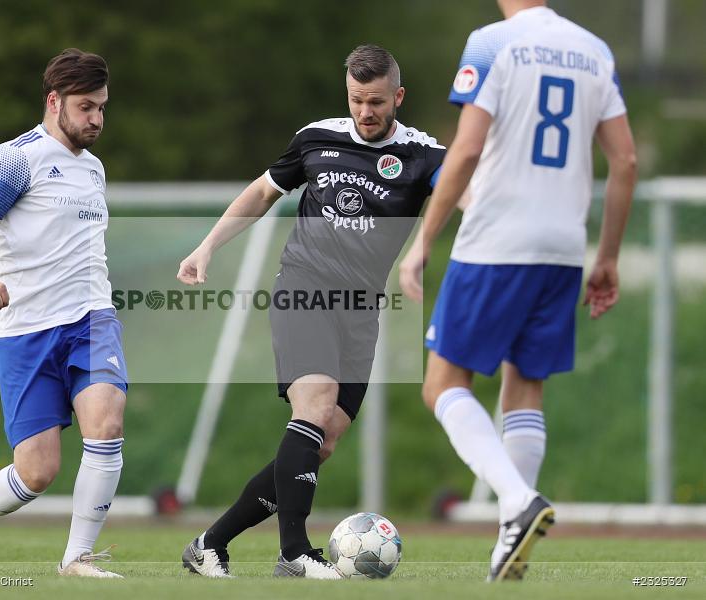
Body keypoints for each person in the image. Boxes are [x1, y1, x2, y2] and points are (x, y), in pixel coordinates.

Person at [177, 44, 446, 579]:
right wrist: (207, 246)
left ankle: (209, 544)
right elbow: (262, 193)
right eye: (356, 100)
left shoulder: (423, 155)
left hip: (361, 310)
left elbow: (458, 193)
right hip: (304, 288)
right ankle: (294, 554)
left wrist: (428, 246)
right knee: (315, 408)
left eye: (376, 101)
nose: (365, 111)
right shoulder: (316, 138)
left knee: (320, 442)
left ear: (398, 96)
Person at [399, 0, 637, 582]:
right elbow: (626, 161)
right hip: (563, 249)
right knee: (524, 389)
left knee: (442, 384)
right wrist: (607, 257)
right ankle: (509, 543)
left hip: (498, 241)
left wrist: (423, 240)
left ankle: (516, 500)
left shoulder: (492, 41)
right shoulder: (595, 50)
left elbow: (466, 150)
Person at [0, 48, 128, 579]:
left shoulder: (94, 169)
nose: (96, 119)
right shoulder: (18, 159)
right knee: (37, 472)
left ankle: (77, 558)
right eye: (86, 107)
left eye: (102, 107)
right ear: (54, 101)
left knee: (107, 421)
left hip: (91, 318)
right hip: (25, 329)